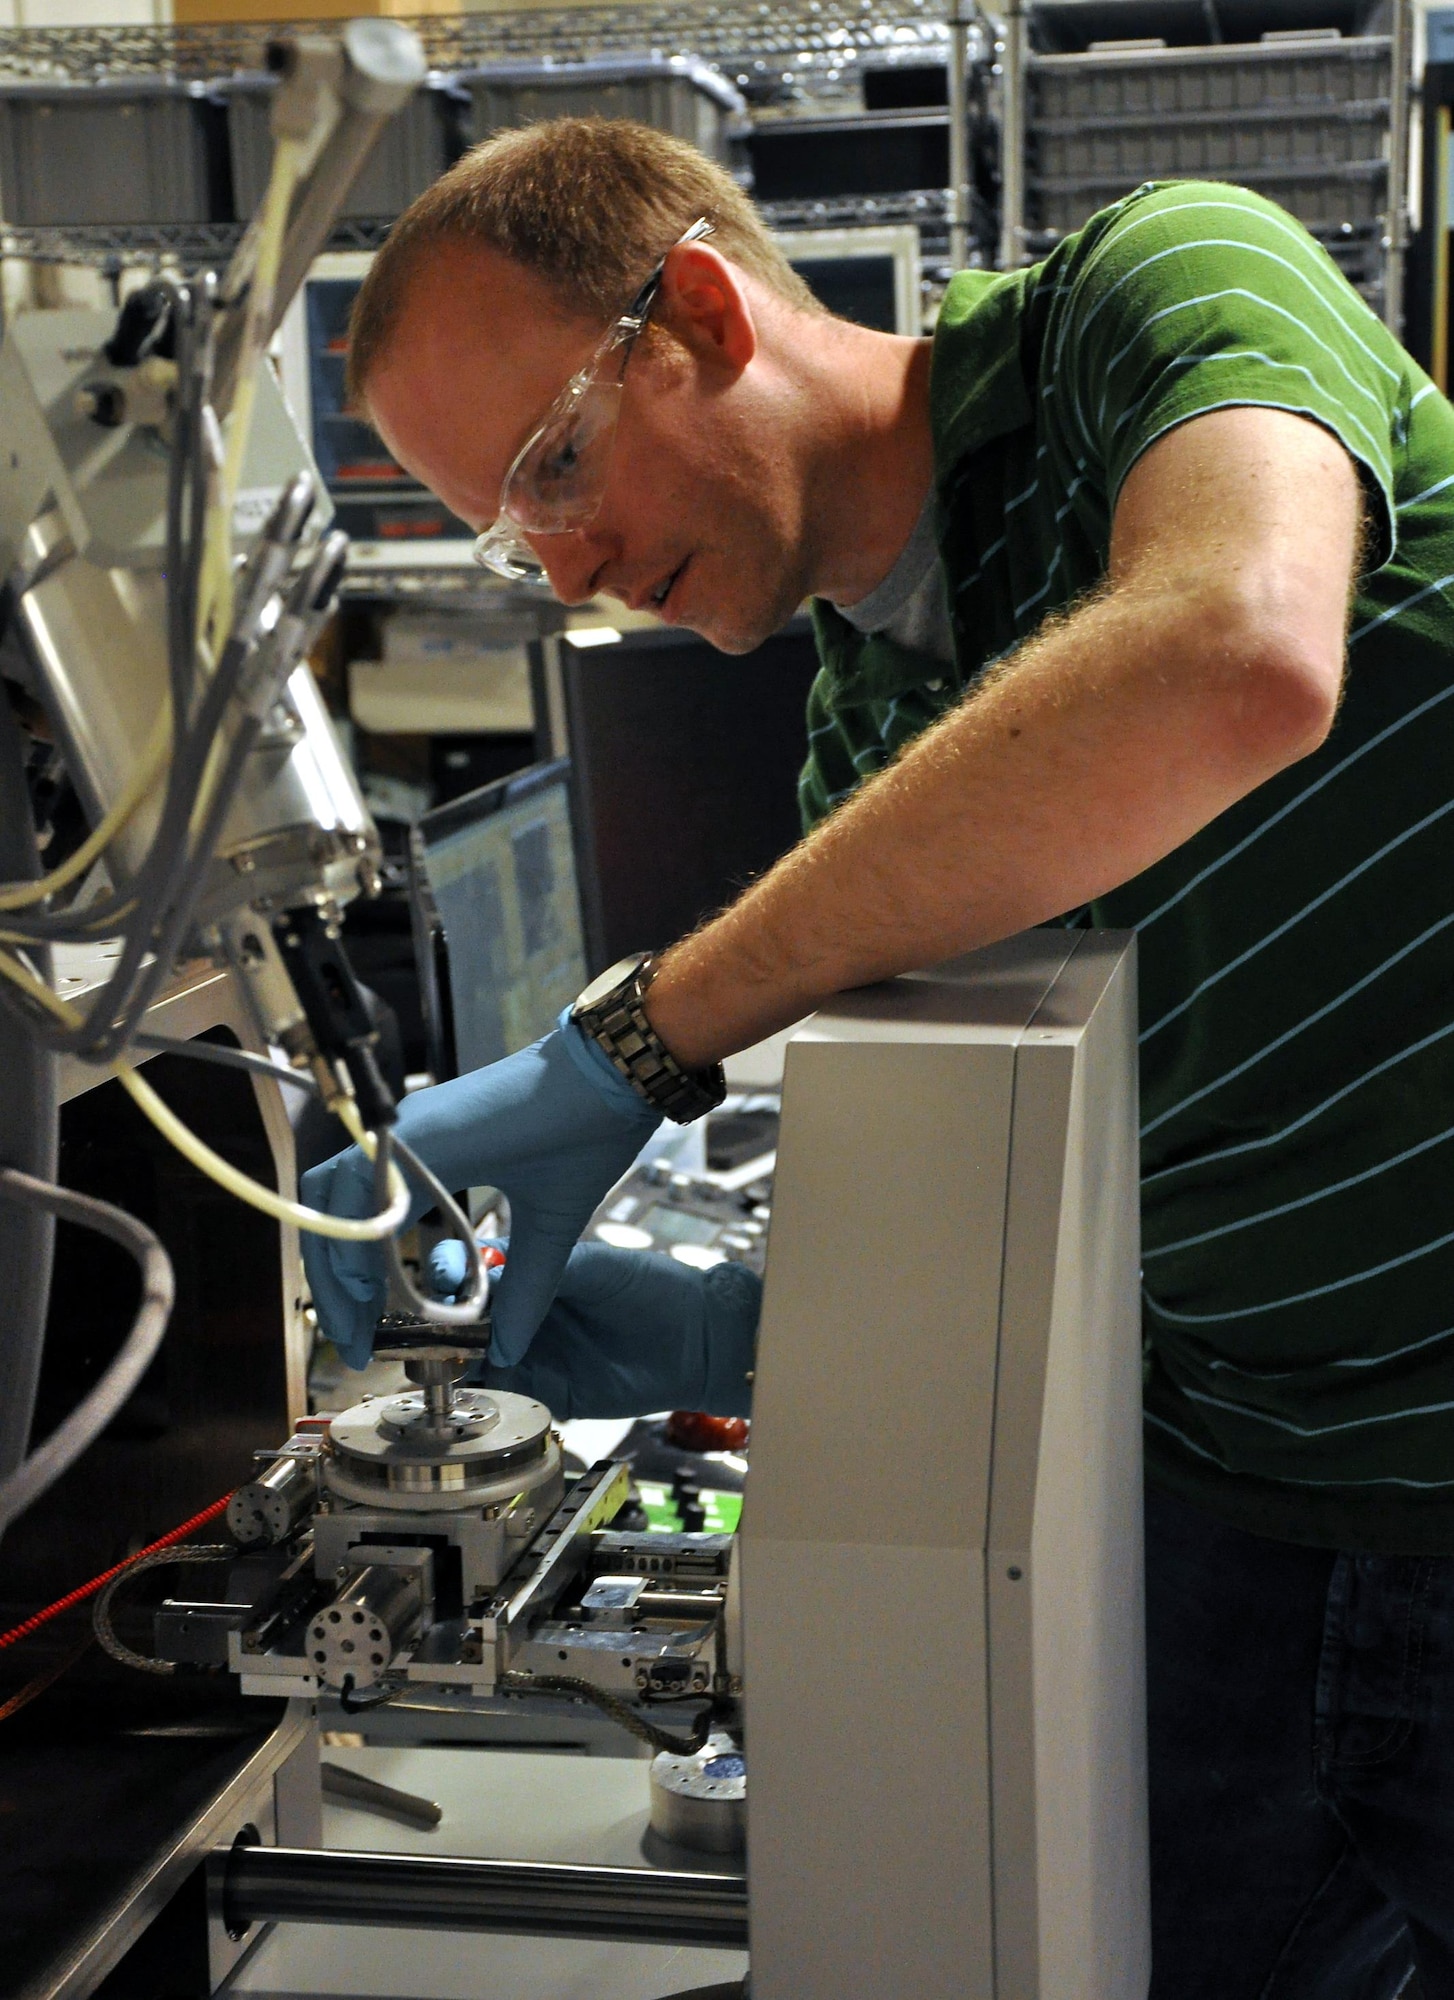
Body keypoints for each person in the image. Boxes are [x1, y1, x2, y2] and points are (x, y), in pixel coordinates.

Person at [300, 118, 1454, 1996]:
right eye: (519, 537)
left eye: (556, 463)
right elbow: (1057, 1211)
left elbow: (1233, 651)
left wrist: (623, 1054)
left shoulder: (1153, 290)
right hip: (1233, 1520)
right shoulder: (869, 764)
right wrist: (726, 1320)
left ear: (693, 308)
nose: (573, 562)